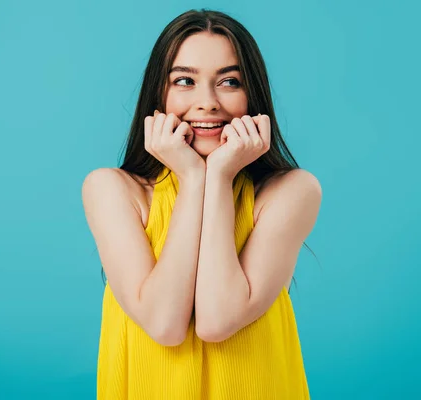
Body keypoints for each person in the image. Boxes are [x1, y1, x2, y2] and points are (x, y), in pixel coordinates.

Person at [82, 8, 322, 399]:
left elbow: (216, 319)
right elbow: (164, 324)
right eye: (185, 81)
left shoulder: (292, 192)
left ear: (253, 95)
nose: (208, 103)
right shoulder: (111, 189)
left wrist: (221, 176)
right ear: (158, 94)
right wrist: (194, 178)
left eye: (229, 81)